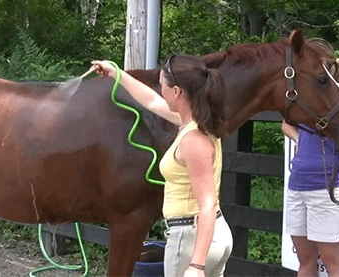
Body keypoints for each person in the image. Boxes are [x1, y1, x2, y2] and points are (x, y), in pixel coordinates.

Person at [91, 55, 233, 277]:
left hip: (191, 238)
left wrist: (196, 265)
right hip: (213, 233)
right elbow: (152, 102)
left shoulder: (193, 140)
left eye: (162, 84)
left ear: (176, 92)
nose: (160, 90)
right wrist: (117, 74)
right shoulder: (195, 122)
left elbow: (207, 203)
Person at [282, 57, 339, 277]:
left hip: (327, 185)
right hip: (298, 182)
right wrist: (299, 137)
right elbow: (285, 123)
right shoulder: (306, 98)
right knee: (305, 260)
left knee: (332, 261)